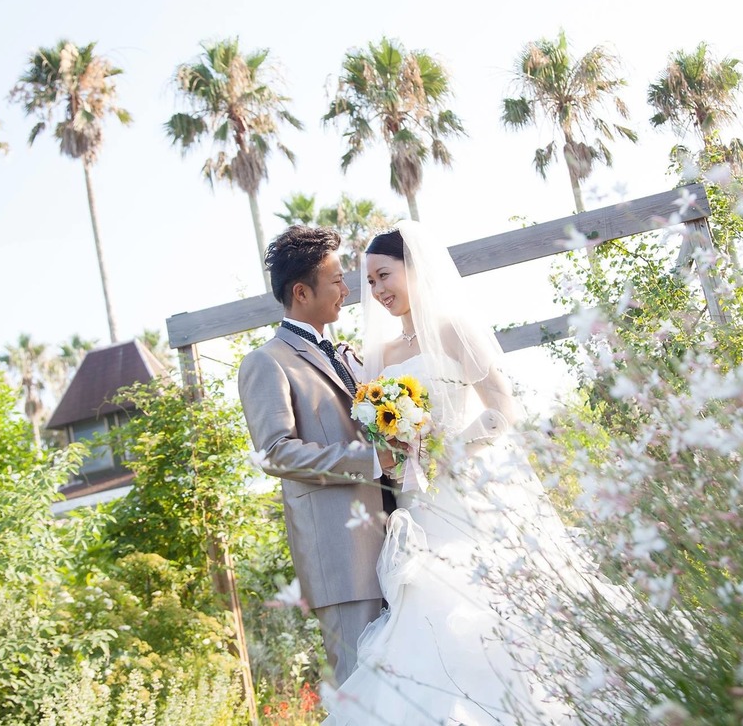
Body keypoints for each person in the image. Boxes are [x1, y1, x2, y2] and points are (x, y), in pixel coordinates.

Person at [322, 222, 628, 725]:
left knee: (495, 602)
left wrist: (449, 453)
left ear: (414, 268)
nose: (377, 291)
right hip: (420, 504)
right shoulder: (380, 355)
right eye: (370, 283)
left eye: (384, 276)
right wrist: (398, 446)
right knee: (430, 607)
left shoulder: (454, 329)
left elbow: (502, 410)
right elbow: (379, 433)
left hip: (474, 489)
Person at [238, 225, 398, 686]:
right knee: (363, 696)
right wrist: (370, 460)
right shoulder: (266, 362)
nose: (348, 291)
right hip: (343, 562)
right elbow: (276, 453)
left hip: (398, 542)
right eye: (337, 282)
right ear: (302, 292)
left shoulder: (347, 355)